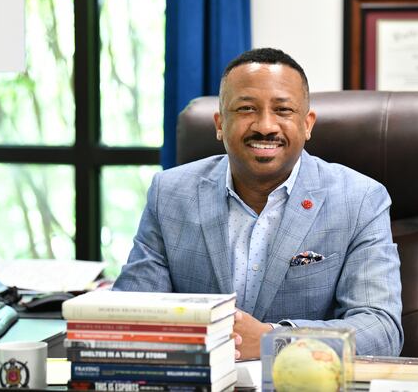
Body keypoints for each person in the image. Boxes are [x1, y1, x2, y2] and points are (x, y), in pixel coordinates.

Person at [113, 48, 403, 359]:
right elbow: (132, 314)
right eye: (247, 108)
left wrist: (272, 341)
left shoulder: (360, 200)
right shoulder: (169, 193)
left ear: (308, 124)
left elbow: (381, 330)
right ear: (220, 123)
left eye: (283, 110)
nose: (265, 125)